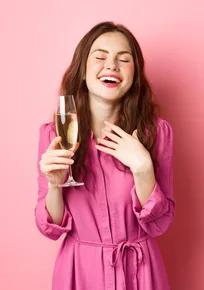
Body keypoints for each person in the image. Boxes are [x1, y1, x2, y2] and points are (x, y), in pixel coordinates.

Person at [35, 21, 175, 290]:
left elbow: (161, 223)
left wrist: (143, 168)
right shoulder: (54, 135)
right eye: (100, 57)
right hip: (79, 273)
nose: (111, 65)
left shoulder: (157, 133)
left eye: (124, 59)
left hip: (140, 272)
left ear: (135, 74)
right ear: (83, 70)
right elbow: (50, 227)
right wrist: (55, 184)